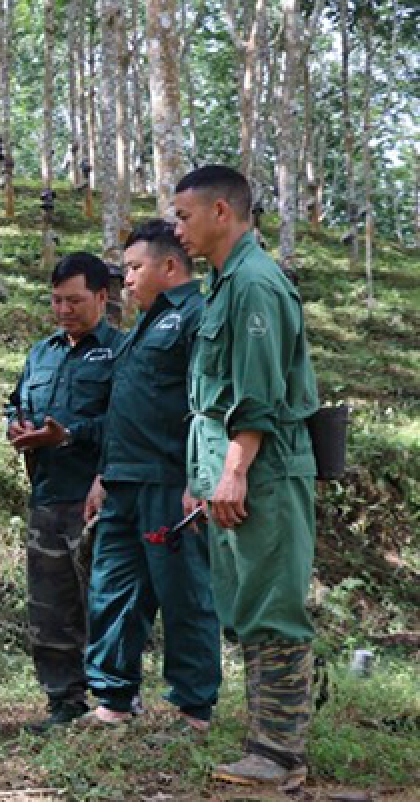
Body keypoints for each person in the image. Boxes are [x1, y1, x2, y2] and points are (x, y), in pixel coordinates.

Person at [174, 165, 319, 789]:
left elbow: (258, 395)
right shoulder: (224, 284)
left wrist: (232, 472)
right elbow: (215, 396)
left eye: (184, 216)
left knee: (274, 609)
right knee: (249, 607)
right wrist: (203, 476)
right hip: (232, 472)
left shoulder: (256, 285)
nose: (176, 228)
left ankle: (282, 754)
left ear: (220, 213)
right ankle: (266, 743)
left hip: (261, 472)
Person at [80, 220, 222, 732]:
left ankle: (193, 708)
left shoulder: (197, 316)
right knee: (113, 591)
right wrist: (102, 475)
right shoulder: (140, 325)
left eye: (135, 268)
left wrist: (198, 478)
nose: (127, 280)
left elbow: (208, 402)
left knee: (183, 593)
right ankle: (114, 700)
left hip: (170, 482)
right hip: (123, 481)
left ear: (169, 265)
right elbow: (127, 407)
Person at [7, 252, 124, 734]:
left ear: (102, 296)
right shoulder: (43, 353)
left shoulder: (122, 351)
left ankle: (112, 699)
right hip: (48, 495)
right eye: (56, 301)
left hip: (97, 496)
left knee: (100, 601)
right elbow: (18, 401)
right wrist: (16, 425)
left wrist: (69, 435)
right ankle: (62, 702)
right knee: (50, 605)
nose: (63, 310)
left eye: (74, 300)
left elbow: (124, 423)